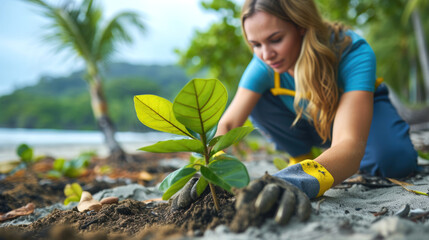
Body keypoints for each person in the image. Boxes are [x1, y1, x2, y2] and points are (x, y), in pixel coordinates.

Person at [172, 0, 418, 226]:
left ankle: (328, 161)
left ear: (302, 27)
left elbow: (350, 143)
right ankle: (303, 158)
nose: (266, 55)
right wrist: (211, 170)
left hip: (360, 115)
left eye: (276, 39)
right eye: (255, 44)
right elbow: (228, 124)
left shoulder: (353, 52)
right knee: (255, 100)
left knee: (393, 160)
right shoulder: (264, 65)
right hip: (310, 122)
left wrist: (295, 182)